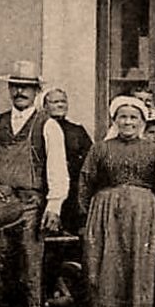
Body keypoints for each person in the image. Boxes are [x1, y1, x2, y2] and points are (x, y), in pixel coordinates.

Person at [77, 97, 155, 307]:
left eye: (134, 117)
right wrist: (84, 217)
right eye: (123, 117)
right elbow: (86, 181)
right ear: (115, 120)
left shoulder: (153, 151)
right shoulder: (101, 149)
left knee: (140, 272)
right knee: (103, 271)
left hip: (142, 215)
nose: (128, 122)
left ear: (142, 122)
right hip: (105, 214)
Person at [0, 61, 69, 307]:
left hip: (31, 204)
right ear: (9, 89)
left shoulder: (48, 125)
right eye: (15, 86)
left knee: (27, 263)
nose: (20, 91)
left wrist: (54, 205)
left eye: (26, 87)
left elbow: (58, 169)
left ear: (36, 90)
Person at [42, 89, 94, 235]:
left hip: (73, 190)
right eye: (54, 102)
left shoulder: (77, 131)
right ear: (45, 106)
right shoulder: (39, 128)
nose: (60, 105)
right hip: (46, 188)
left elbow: (90, 158)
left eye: (63, 101)